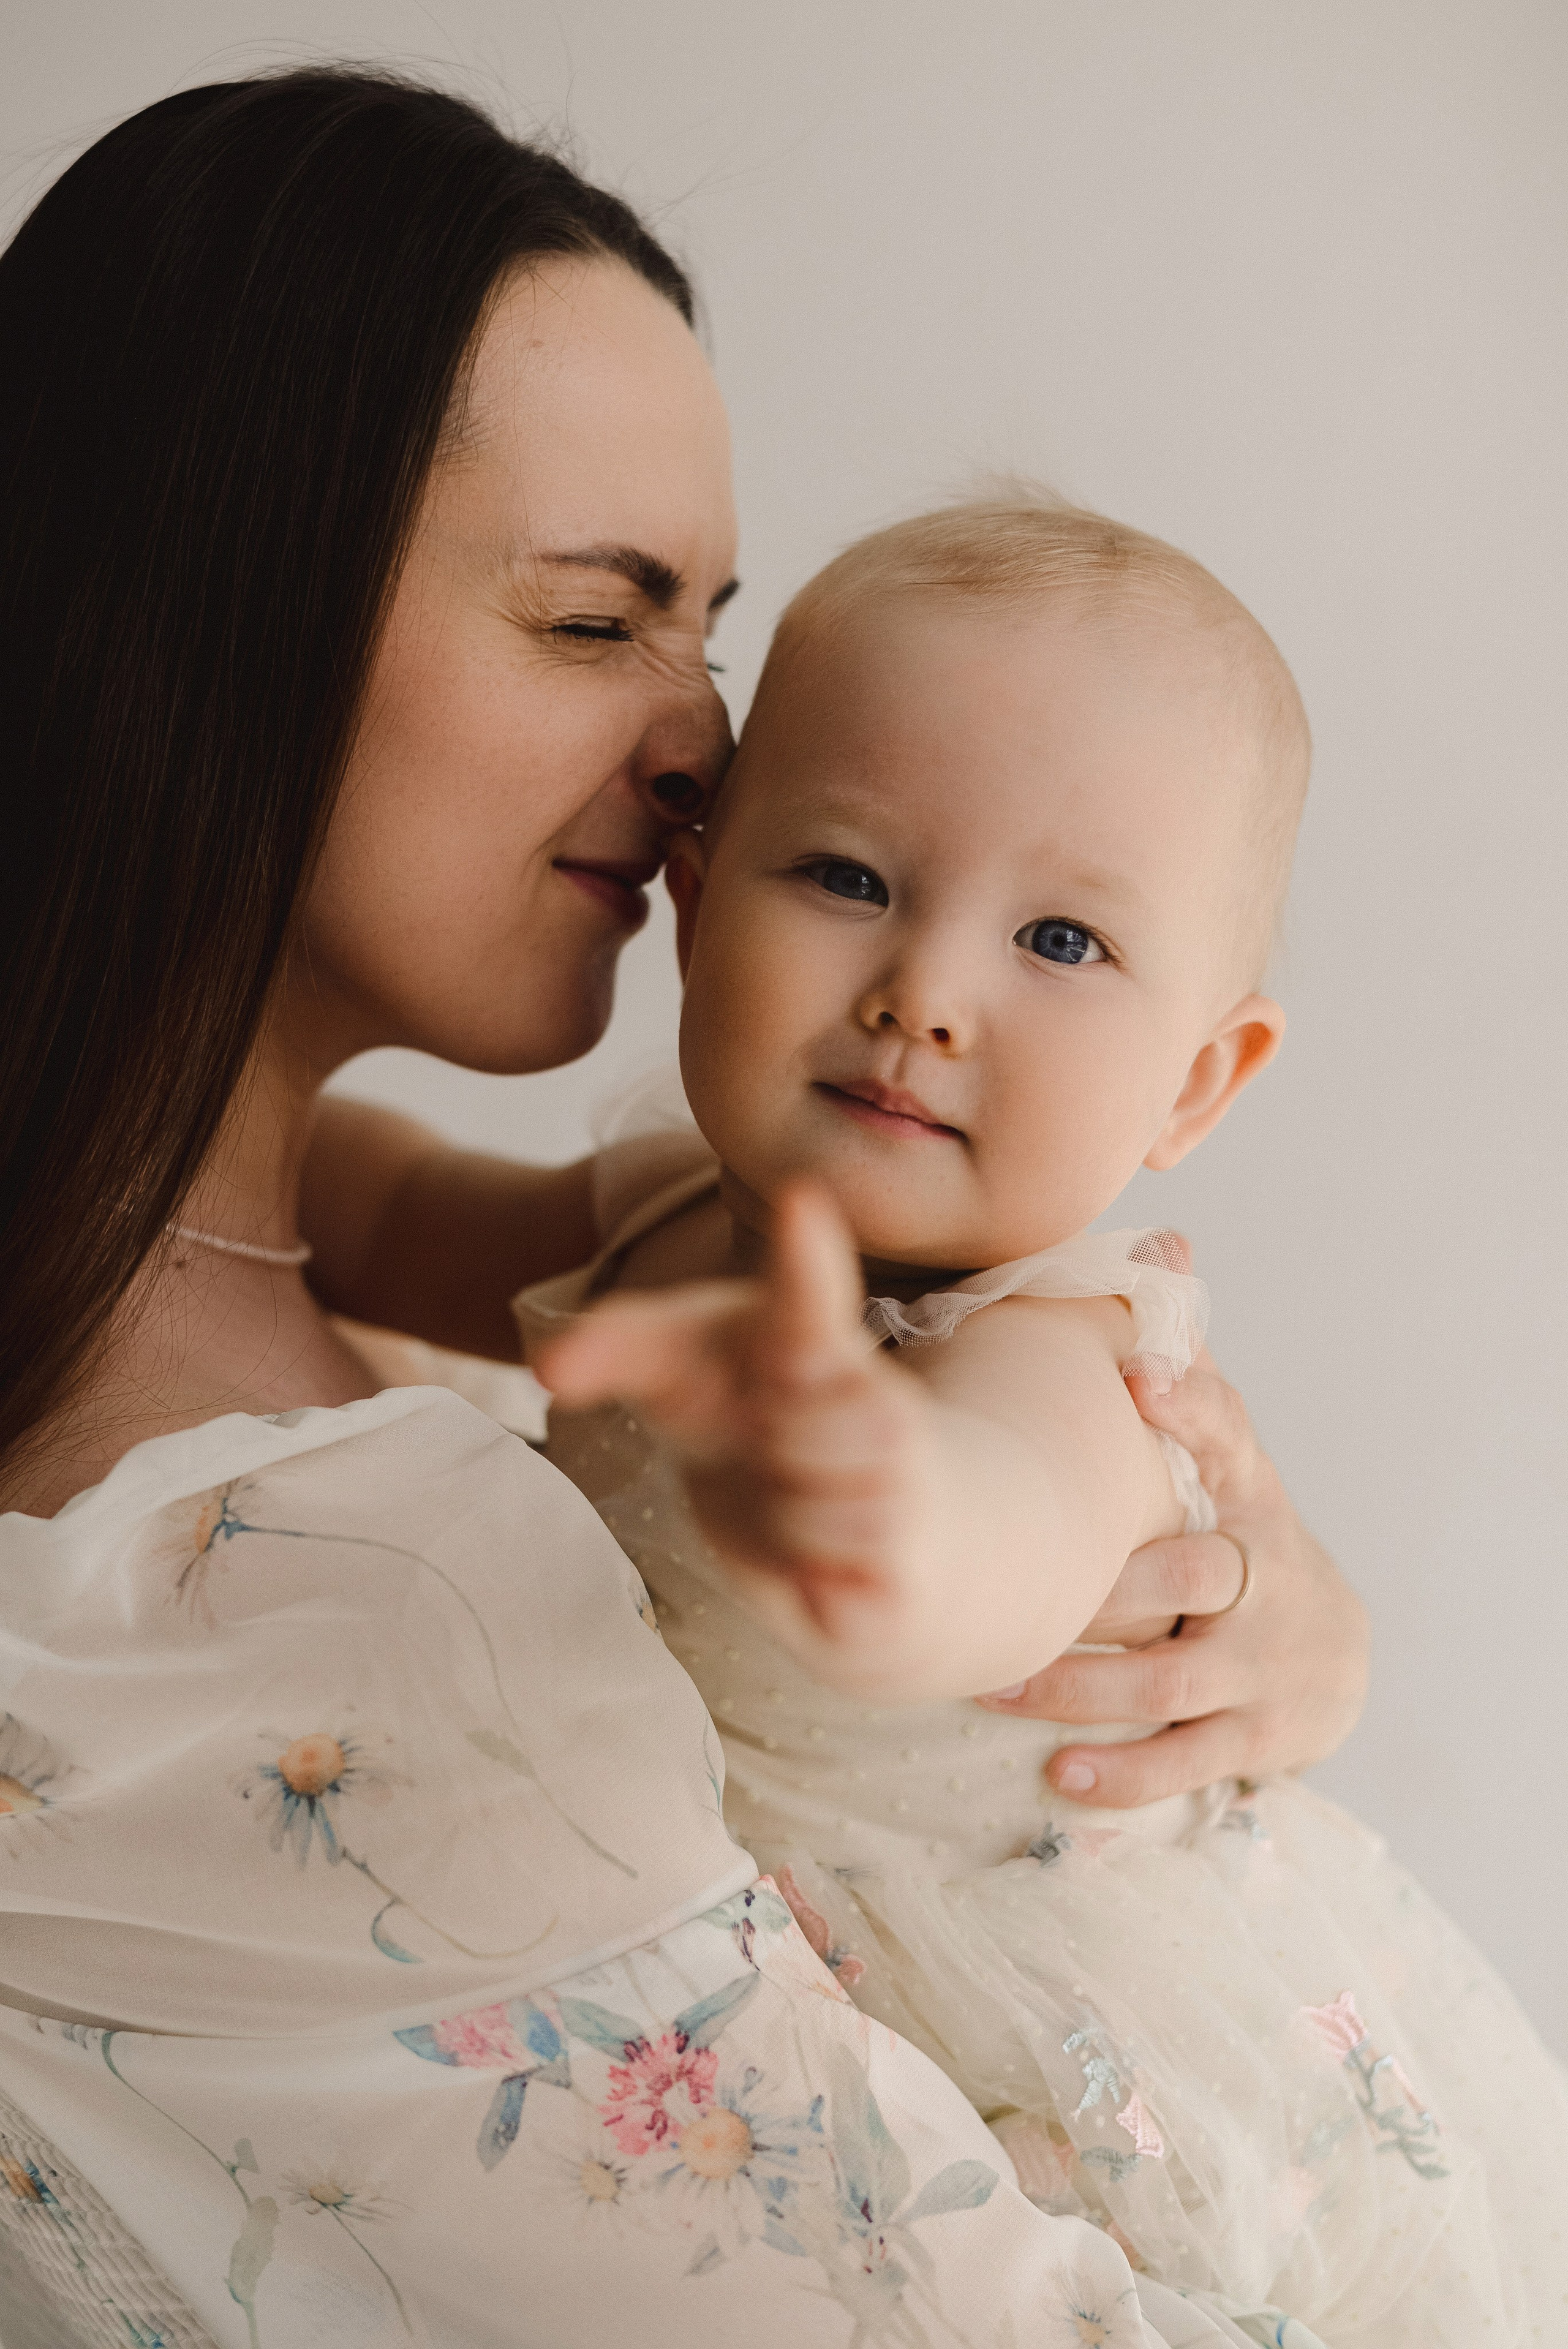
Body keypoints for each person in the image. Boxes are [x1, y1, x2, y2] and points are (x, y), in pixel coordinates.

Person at [0, 67, 1366, 2349]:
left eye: (707, 632)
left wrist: (1259, 1604)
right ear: (209, 608)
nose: (702, 749)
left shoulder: (305, 1283)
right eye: (592, 619)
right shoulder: (305, 1594)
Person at [500, 496, 1568, 2347]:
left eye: (1062, 937)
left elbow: (964, 1562)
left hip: (1050, 2083)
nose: (928, 993)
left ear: (1200, 1081)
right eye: (847, 876)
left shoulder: (1061, 1353)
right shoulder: (667, 1209)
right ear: (695, 894)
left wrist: (842, 1483)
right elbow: (348, 1213)